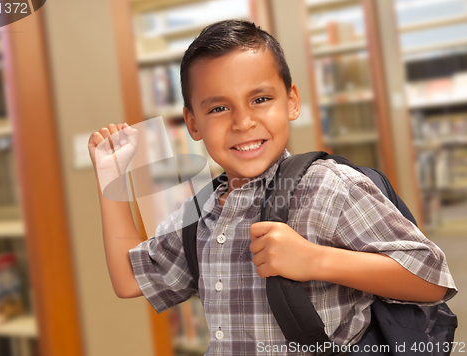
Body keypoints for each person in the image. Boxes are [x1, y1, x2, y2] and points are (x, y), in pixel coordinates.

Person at [87, 20, 456, 355]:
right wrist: (112, 175)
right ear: (192, 123)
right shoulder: (201, 213)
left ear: (291, 101)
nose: (243, 122)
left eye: (260, 99)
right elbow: (130, 280)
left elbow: (431, 279)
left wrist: (316, 260)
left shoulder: (329, 187)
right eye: (218, 108)